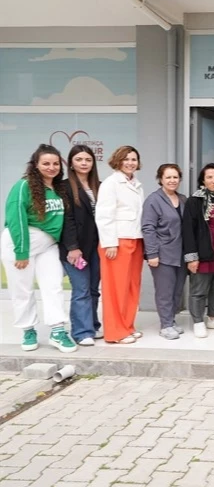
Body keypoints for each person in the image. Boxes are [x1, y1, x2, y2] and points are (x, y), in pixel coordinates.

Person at [1, 144, 75, 353]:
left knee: (53, 286)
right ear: (35, 165)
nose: (51, 167)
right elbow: (16, 218)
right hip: (20, 243)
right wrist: (21, 251)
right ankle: (28, 329)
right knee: (22, 289)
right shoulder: (24, 186)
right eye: (46, 163)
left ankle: (58, 331)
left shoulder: (59, 188)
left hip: (48, 244)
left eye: (55, 164)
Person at [96, 145, 145, 344]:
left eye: (133, 159)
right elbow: (104, 215)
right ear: (118, 160)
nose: (130, 163)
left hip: (135, 239)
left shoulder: (136, 184)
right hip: (116, 242)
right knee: (116, 289)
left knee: (132, 286)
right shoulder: (111, 183)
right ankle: (115, 332)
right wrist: (110, 243)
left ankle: (127, 326)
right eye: (126, 159)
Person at [59, 144, 102, 347]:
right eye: (79, 159)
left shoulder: (99, 186)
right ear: (71, 163)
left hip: (96, 246)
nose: (84, 163)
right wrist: (72, 247)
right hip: (76, 248)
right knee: (81, 289)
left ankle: (92, 325)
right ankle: (81, 332)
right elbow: (66, 219)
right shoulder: (64, 187)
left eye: (88, 160)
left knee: (93, 289)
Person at [183, 163, 214, 336]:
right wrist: (191, 257)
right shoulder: (194, 201)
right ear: (203, 180)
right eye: (209, 177)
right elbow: (188, 230)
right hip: (203, 253)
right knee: (199, 290)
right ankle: (198, 321)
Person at [142, 164, 188, 340]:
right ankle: (166, 325)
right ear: (160, 179)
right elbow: (148, 228)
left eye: (175, 177)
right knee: (165, 292)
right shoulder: (153, 200)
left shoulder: (182, 199)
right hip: (162, 254)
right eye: (168, 177)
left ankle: (171, 320)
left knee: (177, 290)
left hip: (180, 253)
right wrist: (152, 254)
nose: (172, 180)